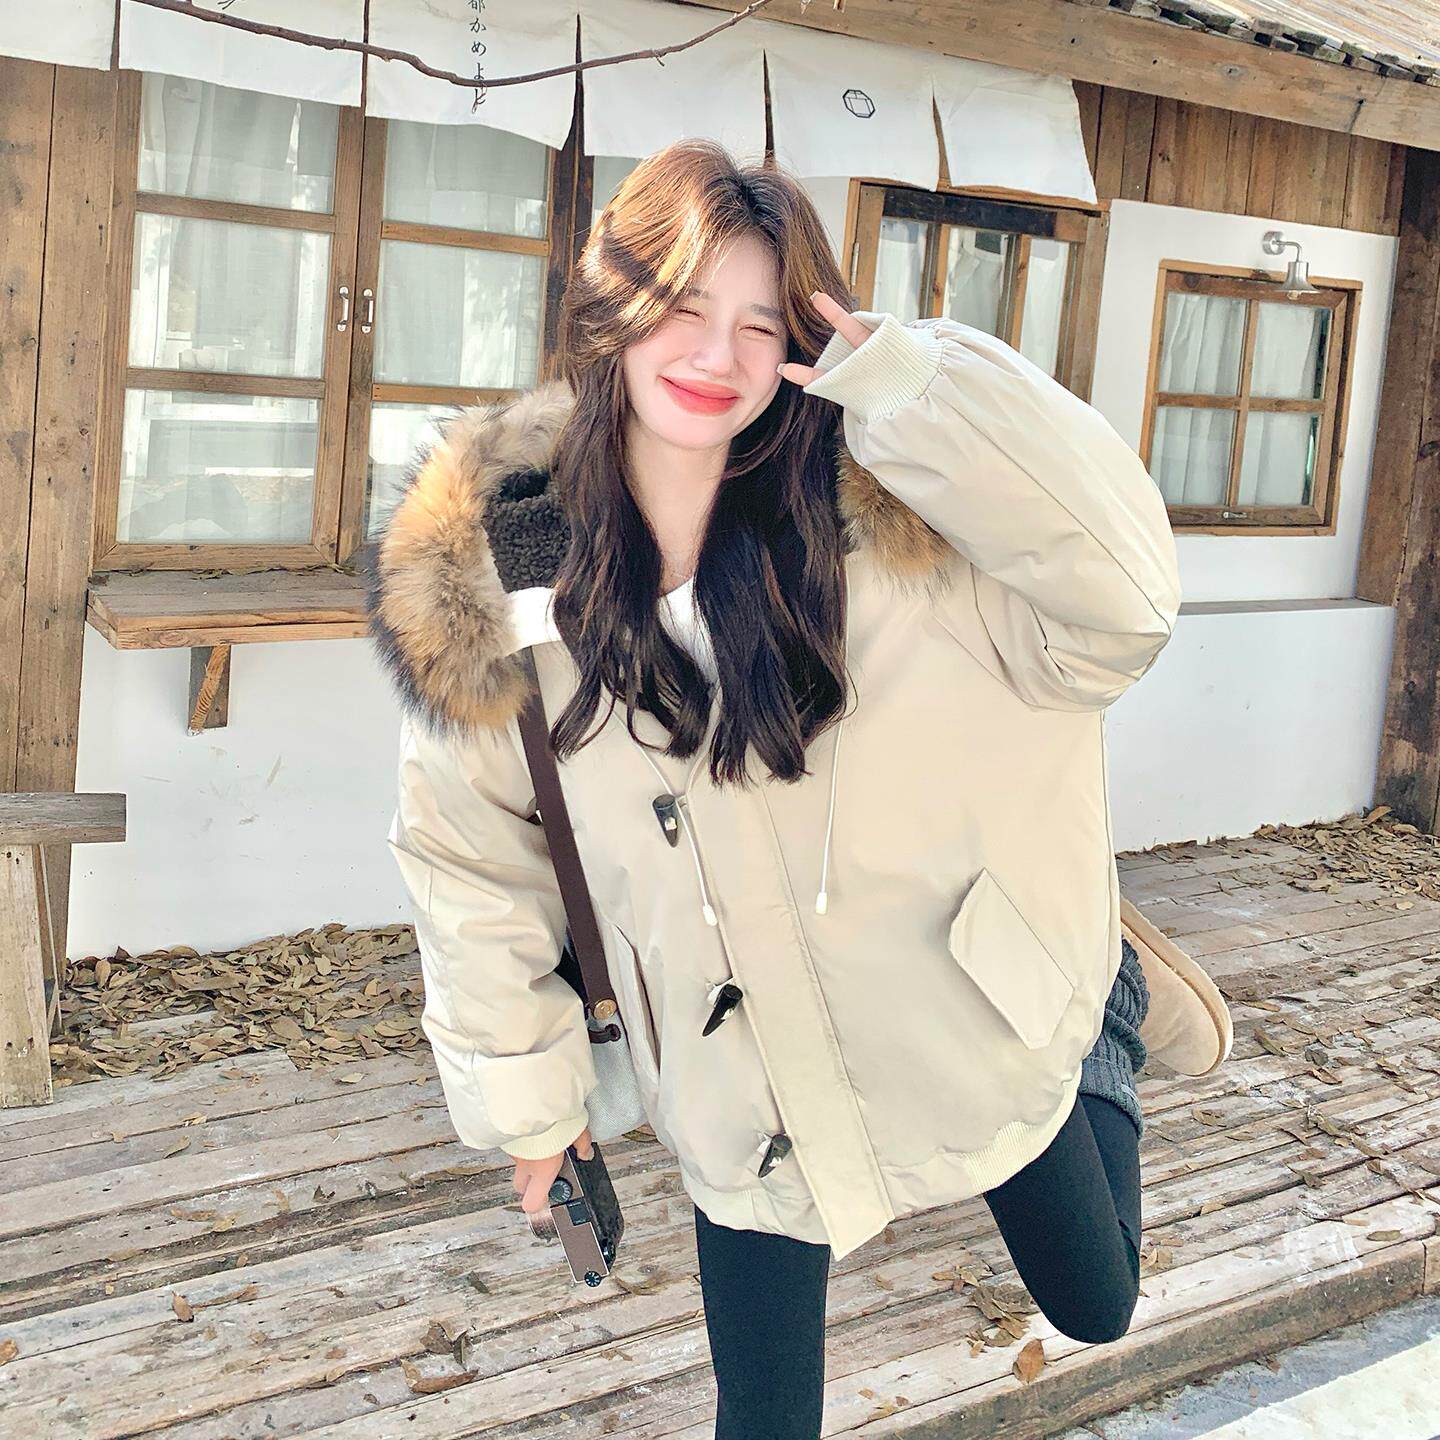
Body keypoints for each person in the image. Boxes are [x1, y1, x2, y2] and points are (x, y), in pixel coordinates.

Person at [364, 138, 1230, 1440]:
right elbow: (471, 857)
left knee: (1097, 1303)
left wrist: (925, 390)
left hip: (968, 1012)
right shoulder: (513, 565)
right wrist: (531, 1109)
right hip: (740, 1077)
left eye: (760, 322)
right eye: (683, 305)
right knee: (763, 1415)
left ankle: (1102, 994)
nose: (715, 354)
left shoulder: (901, 523)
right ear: (614, 310)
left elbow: (1123, 601)